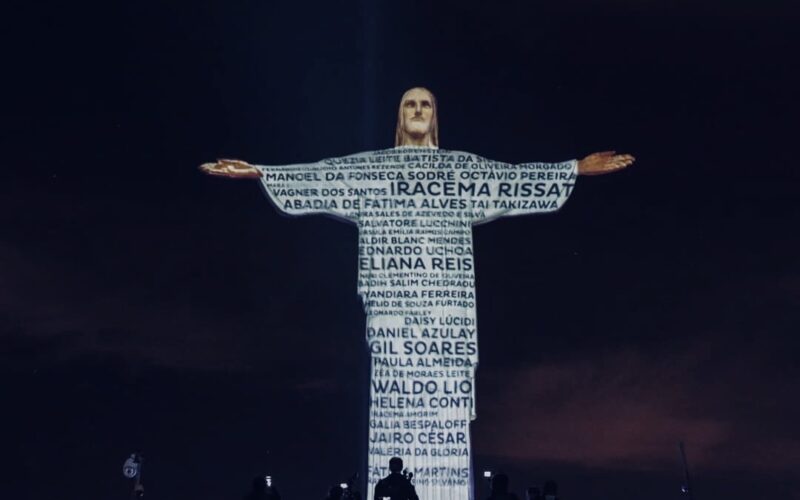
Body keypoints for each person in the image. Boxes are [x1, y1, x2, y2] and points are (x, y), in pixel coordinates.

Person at [202, 87, 634, 500]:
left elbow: (512, 179)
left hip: (448, 313)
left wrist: (573, 168)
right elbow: (321, 176)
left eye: (426, 104)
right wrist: (261, 172)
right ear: (399, 115)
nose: (417, 111)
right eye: (410, 104)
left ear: (435, 115)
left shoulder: (461, 169)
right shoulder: (373, 170)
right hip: (393, 315)